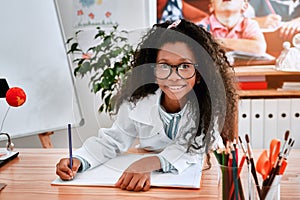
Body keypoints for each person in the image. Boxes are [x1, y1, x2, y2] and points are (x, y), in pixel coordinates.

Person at [56, 19, 238, 192]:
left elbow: (194, 149)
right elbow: (112, 140)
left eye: (184, 66)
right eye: (164, 66)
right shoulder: (138, 104)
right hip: (154, 185)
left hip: (207, 180)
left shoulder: (209, 106)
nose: (174, 76)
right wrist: (80, 159)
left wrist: (152, 162)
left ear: (199, 73)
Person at [199, 0, 267, 55]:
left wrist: (216, 42)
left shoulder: (249, 24)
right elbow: (200, 48)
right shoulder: (202, 25)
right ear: (211, 6)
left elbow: (259, 47)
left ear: (245, 6)